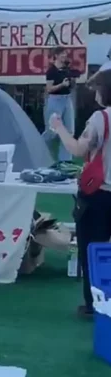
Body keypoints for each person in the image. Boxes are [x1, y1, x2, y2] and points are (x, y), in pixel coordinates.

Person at [50, 70, 111, 318]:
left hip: (99, 194)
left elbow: (77, 149)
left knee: (92, 250)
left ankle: (94, 303)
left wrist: (59, 128)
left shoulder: (101, 118)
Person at [44, 47, 76, 162]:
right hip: (55, 100)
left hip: (67, 99)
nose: (64, 56)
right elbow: (49, 89)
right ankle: (39, 150)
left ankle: (65, 161)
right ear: (56, 55)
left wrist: (71, 83)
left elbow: (71, 86)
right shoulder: (51, 71)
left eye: (65, 54)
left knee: (69, 132)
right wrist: (62, 85)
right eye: (62, 54)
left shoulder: (66, 70)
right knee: (52, 131)